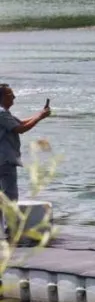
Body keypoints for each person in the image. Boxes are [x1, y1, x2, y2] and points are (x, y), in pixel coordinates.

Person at [1, 84, 51, 237]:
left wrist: (39, 115)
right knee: (10, 196)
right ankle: (9, 232)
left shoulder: (4, 113)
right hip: (4, 160)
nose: (14, 97)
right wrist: (40, 117)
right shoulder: (2, 113)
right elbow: (20, 129)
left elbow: (20, 123)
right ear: (2, 97)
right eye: (10, 94)